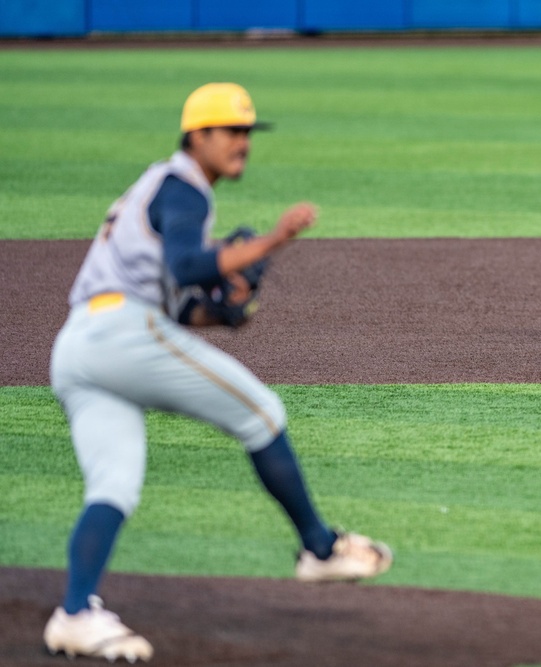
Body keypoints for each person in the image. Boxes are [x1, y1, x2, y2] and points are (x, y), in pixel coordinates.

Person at [44, 83, 392, 663]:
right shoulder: (184, 187)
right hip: (121, 333)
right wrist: (274, 241)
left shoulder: (159, 192)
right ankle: (320, 548)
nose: (243, 143)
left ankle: (75, 613)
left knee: (113, 484)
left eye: (248, 133)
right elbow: (187, 264)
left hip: (79, 346)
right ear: (196, 136)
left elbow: (181, 304)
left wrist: (223, 314)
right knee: (261, 412)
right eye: (232, 131)